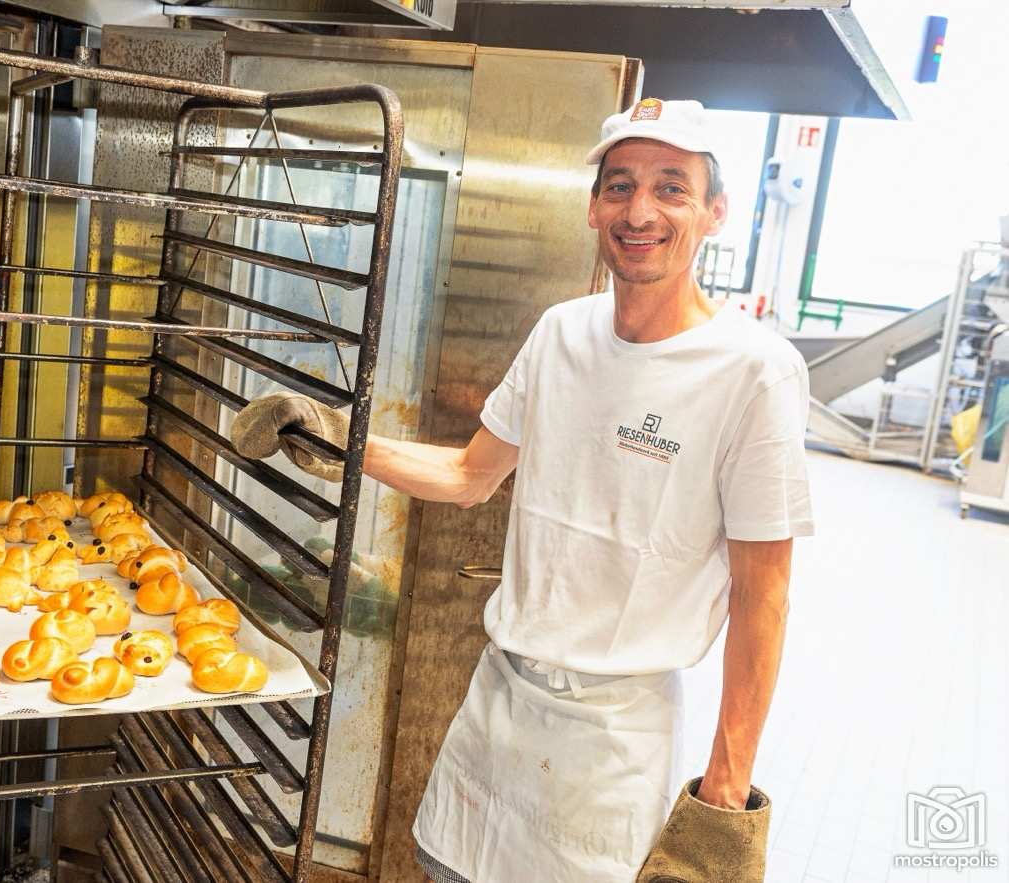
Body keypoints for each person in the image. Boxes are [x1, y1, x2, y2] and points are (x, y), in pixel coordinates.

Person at [232, 97, 813, 882]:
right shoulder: (561, 332)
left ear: (715, 212)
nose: (640, 211)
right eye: (619, 186)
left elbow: (762, 591)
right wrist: (342, 438)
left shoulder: (755, 371)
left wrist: (726, 790)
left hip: (610, 743)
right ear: (593, 207)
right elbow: (470, 474)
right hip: (499, 706)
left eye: (671, 188)